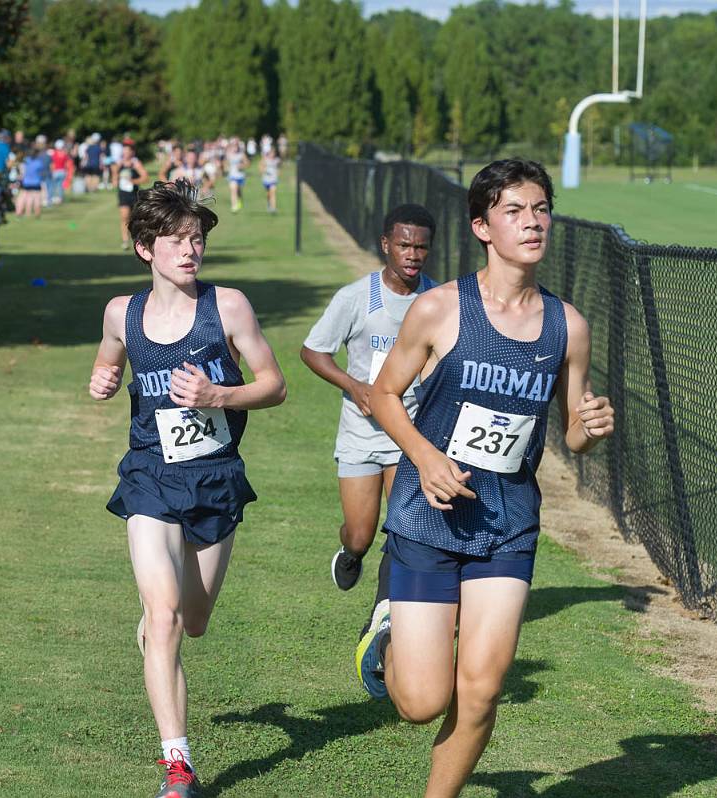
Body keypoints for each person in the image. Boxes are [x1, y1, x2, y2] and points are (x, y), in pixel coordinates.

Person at [353, 159, 615, 798]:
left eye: (540, 210)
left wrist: (592, 424)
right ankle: (386, 630)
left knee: (482, 689)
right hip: (429, 514)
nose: (532, 223)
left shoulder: (567, 326)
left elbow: (572, 436)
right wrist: (423, 456)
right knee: (420, 701)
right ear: (482, 227)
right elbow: (384, 395)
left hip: (507, 522)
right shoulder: (439, 309)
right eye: (514, 212)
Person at [89, 178, 287, 798]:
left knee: (193, 621)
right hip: (150, 475)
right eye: (176, 239)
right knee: (165, 614)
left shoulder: (227, 308)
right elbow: (110, 353)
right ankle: (178, 765)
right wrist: (103, 374)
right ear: (146, 247)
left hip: (216, 478)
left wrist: (218, 395)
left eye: (196, 238)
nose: (190, 250)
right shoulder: (123, 312)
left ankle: (159, 625)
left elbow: (275, 385)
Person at [302, 205, 437, 592]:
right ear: (386, 245)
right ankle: (350, 554)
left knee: (405, 529)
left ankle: (387, 608)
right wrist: (353, 385)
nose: (412, 255)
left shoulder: (438, 300)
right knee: (360, 534)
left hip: (409, 433)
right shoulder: (356, 297)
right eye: (404, 245)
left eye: (421, 248)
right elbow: (313, 351)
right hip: (361, 433)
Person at [112, 141, 148, 251]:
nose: (125, 153)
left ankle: (138, 239)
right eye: (124, 150)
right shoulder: (119, 163)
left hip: (134, 194)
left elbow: (145, 178)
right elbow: (114, 178)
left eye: (128, 150)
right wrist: (115, 177)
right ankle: (125, 241)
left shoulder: (135, 163)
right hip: (123, 194)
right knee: (124, 217)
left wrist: (133, 181)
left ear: (132, 152)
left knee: (136, 219)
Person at [225, 140, 249, 213]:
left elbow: (247, 163)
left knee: (238, 191)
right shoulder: (229, 154)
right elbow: (225, 163)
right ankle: (234, 206)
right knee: (233, 189)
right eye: (233, 146)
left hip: (240, 176)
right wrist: (226, 167)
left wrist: (242, 166)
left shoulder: (241, 154)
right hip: (232, 175)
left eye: (236, 146)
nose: (235, 148)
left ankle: (239, 200)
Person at [260, 150, 280, 214]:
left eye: (273, 153)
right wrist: (265, 171)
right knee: (268, 194)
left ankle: (273, 208)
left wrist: (278, 172)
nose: (272, 155)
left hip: (273, 179)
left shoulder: (277, 160)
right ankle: (269, 204)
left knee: (273, 192)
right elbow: (261, 167)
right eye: (271, 153)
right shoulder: (265, 159)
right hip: (266, 179)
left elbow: (279, 167)